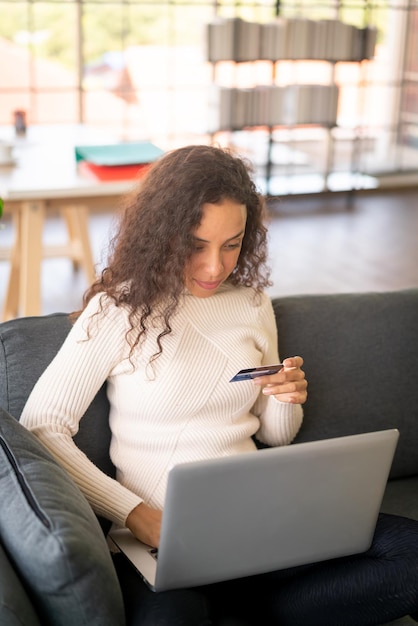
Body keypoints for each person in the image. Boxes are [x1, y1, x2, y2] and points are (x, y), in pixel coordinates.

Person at [21, 145, 418, 626]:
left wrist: (286, 398)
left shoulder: (251, 304)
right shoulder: (118, 311)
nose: (215, 267)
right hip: (161, 539)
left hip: (261, 520)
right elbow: (42, 427)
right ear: (160, 234)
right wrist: (133, 513)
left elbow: (276, 436)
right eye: (196, 244)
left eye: (232, 244)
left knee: (410, 558)